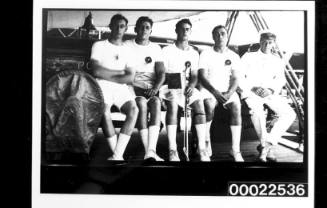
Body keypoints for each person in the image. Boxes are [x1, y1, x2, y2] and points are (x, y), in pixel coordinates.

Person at [239, 31, 296, 162]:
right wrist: (252, 87)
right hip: (252, 92)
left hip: (269, 93)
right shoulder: (248, 56)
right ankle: (265, 149)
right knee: (258, 113)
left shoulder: (277, 60)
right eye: (264, 41)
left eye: (270, 42)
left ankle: (266, 146)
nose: (267, 44)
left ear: (274, 44)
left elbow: (281, 80)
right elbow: (239, 76)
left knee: (289, 114)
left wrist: (270, 90)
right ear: (260, 41)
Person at [90, 14, 139, 161]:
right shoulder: (99, 45)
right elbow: (96, 71)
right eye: (116, 25)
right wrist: (119, 72)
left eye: (122, 26)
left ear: (125, 29)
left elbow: (130, 77)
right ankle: (118, 156)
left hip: (121, 87)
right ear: (110, 26)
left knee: (134, 110)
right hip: (101, 85)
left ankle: (117, 155)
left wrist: (108, 73)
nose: (119, 29)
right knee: (104, 111)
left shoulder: (128, 50)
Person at [160, 19, 209, 162]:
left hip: (187, 86)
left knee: (199, 106)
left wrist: (191, 86)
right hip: (171, 84)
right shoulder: (167, 50)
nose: (185, 31)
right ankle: (173, 149)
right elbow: (164, 73)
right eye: (182, 29)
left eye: (188, 29)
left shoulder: (194, 53)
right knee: (173, 105)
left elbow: (194, 76)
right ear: (176, 31)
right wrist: (178, 87)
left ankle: (201, 148)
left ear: (191, 31)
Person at [198, 25, 244, 162]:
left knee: (236, 106)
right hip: (210, 90)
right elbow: (202, 76)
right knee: (208, 105)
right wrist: (214, 92)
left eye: (223, 33)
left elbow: (236, 78)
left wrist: (230, 93)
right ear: (213, 37)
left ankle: (235, 150)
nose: (220, 36)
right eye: (217, 34)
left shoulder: (234, 56)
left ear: (227, 35)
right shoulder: (205, 53)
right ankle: (206, 145)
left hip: (228, 91)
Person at [124, 16, 166, 161]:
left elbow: (161, 73)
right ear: (135, 29)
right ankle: (148, 150)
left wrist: (155, 89)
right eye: (141, 27)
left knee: (156, 103)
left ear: (151, 31)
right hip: (132, 86)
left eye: (147, 27)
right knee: (141, 104)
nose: (144, 30)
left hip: (150, 88)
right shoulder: (127, 45)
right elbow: (123, 71)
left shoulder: (155, 48)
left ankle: (151, 150)